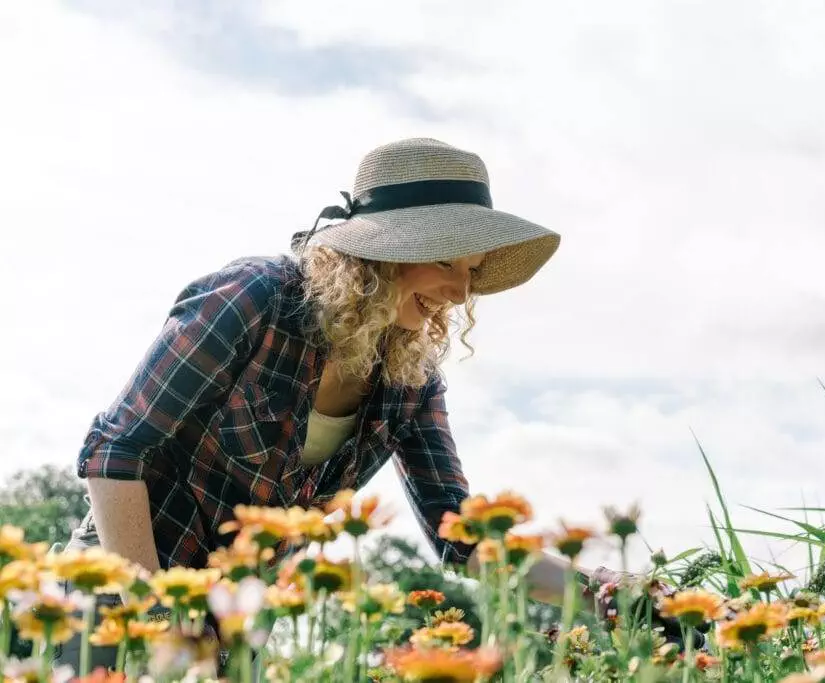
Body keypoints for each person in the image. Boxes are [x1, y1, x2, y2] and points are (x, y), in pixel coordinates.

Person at [54, 137, 638, 670]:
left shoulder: (411, 381)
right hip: (121, 584)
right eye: (446, 261)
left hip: (238, 619)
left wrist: (603, 589)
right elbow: (116, 450)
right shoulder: (253, 299)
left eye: (473, 270)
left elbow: (460, 538)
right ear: (381, 253)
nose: (462, 292)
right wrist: (154, 616)